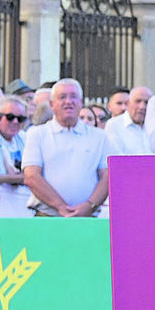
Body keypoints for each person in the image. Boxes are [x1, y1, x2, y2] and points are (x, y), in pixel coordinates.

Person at [22, 78, 109, 217]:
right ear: (52, 104)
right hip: (47, 216)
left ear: (81, 103)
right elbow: (31, 176)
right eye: (62, 97)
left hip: (87, 217)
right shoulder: (37, 134)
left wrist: (89, 206)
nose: (68, 101)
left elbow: (107, 176)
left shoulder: (100, 137)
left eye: (73, 97)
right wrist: (60, 206)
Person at [105, 86, 153, 157]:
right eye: (138, 101)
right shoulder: (114, 125)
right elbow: (116, 157)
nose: (142, 106)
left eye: (147, 102)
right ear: (128, 103)